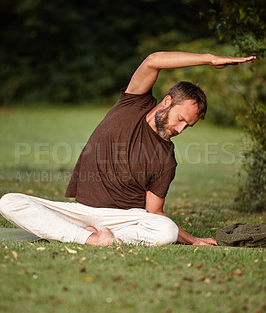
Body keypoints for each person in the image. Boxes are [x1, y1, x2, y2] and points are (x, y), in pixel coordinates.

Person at [0, 51, 256, 247]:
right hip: (81, 212)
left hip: (125, 219)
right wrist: (209, 59)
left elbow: (154, 212)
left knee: (164, 231)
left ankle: (95, 237)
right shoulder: (133, 103)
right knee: (10, 202)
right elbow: (153, 60)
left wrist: (192, 240)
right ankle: (89, 238)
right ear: (167, 101)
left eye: (187, 126)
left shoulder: (166, 159)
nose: (180, 129)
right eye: (180, 119)